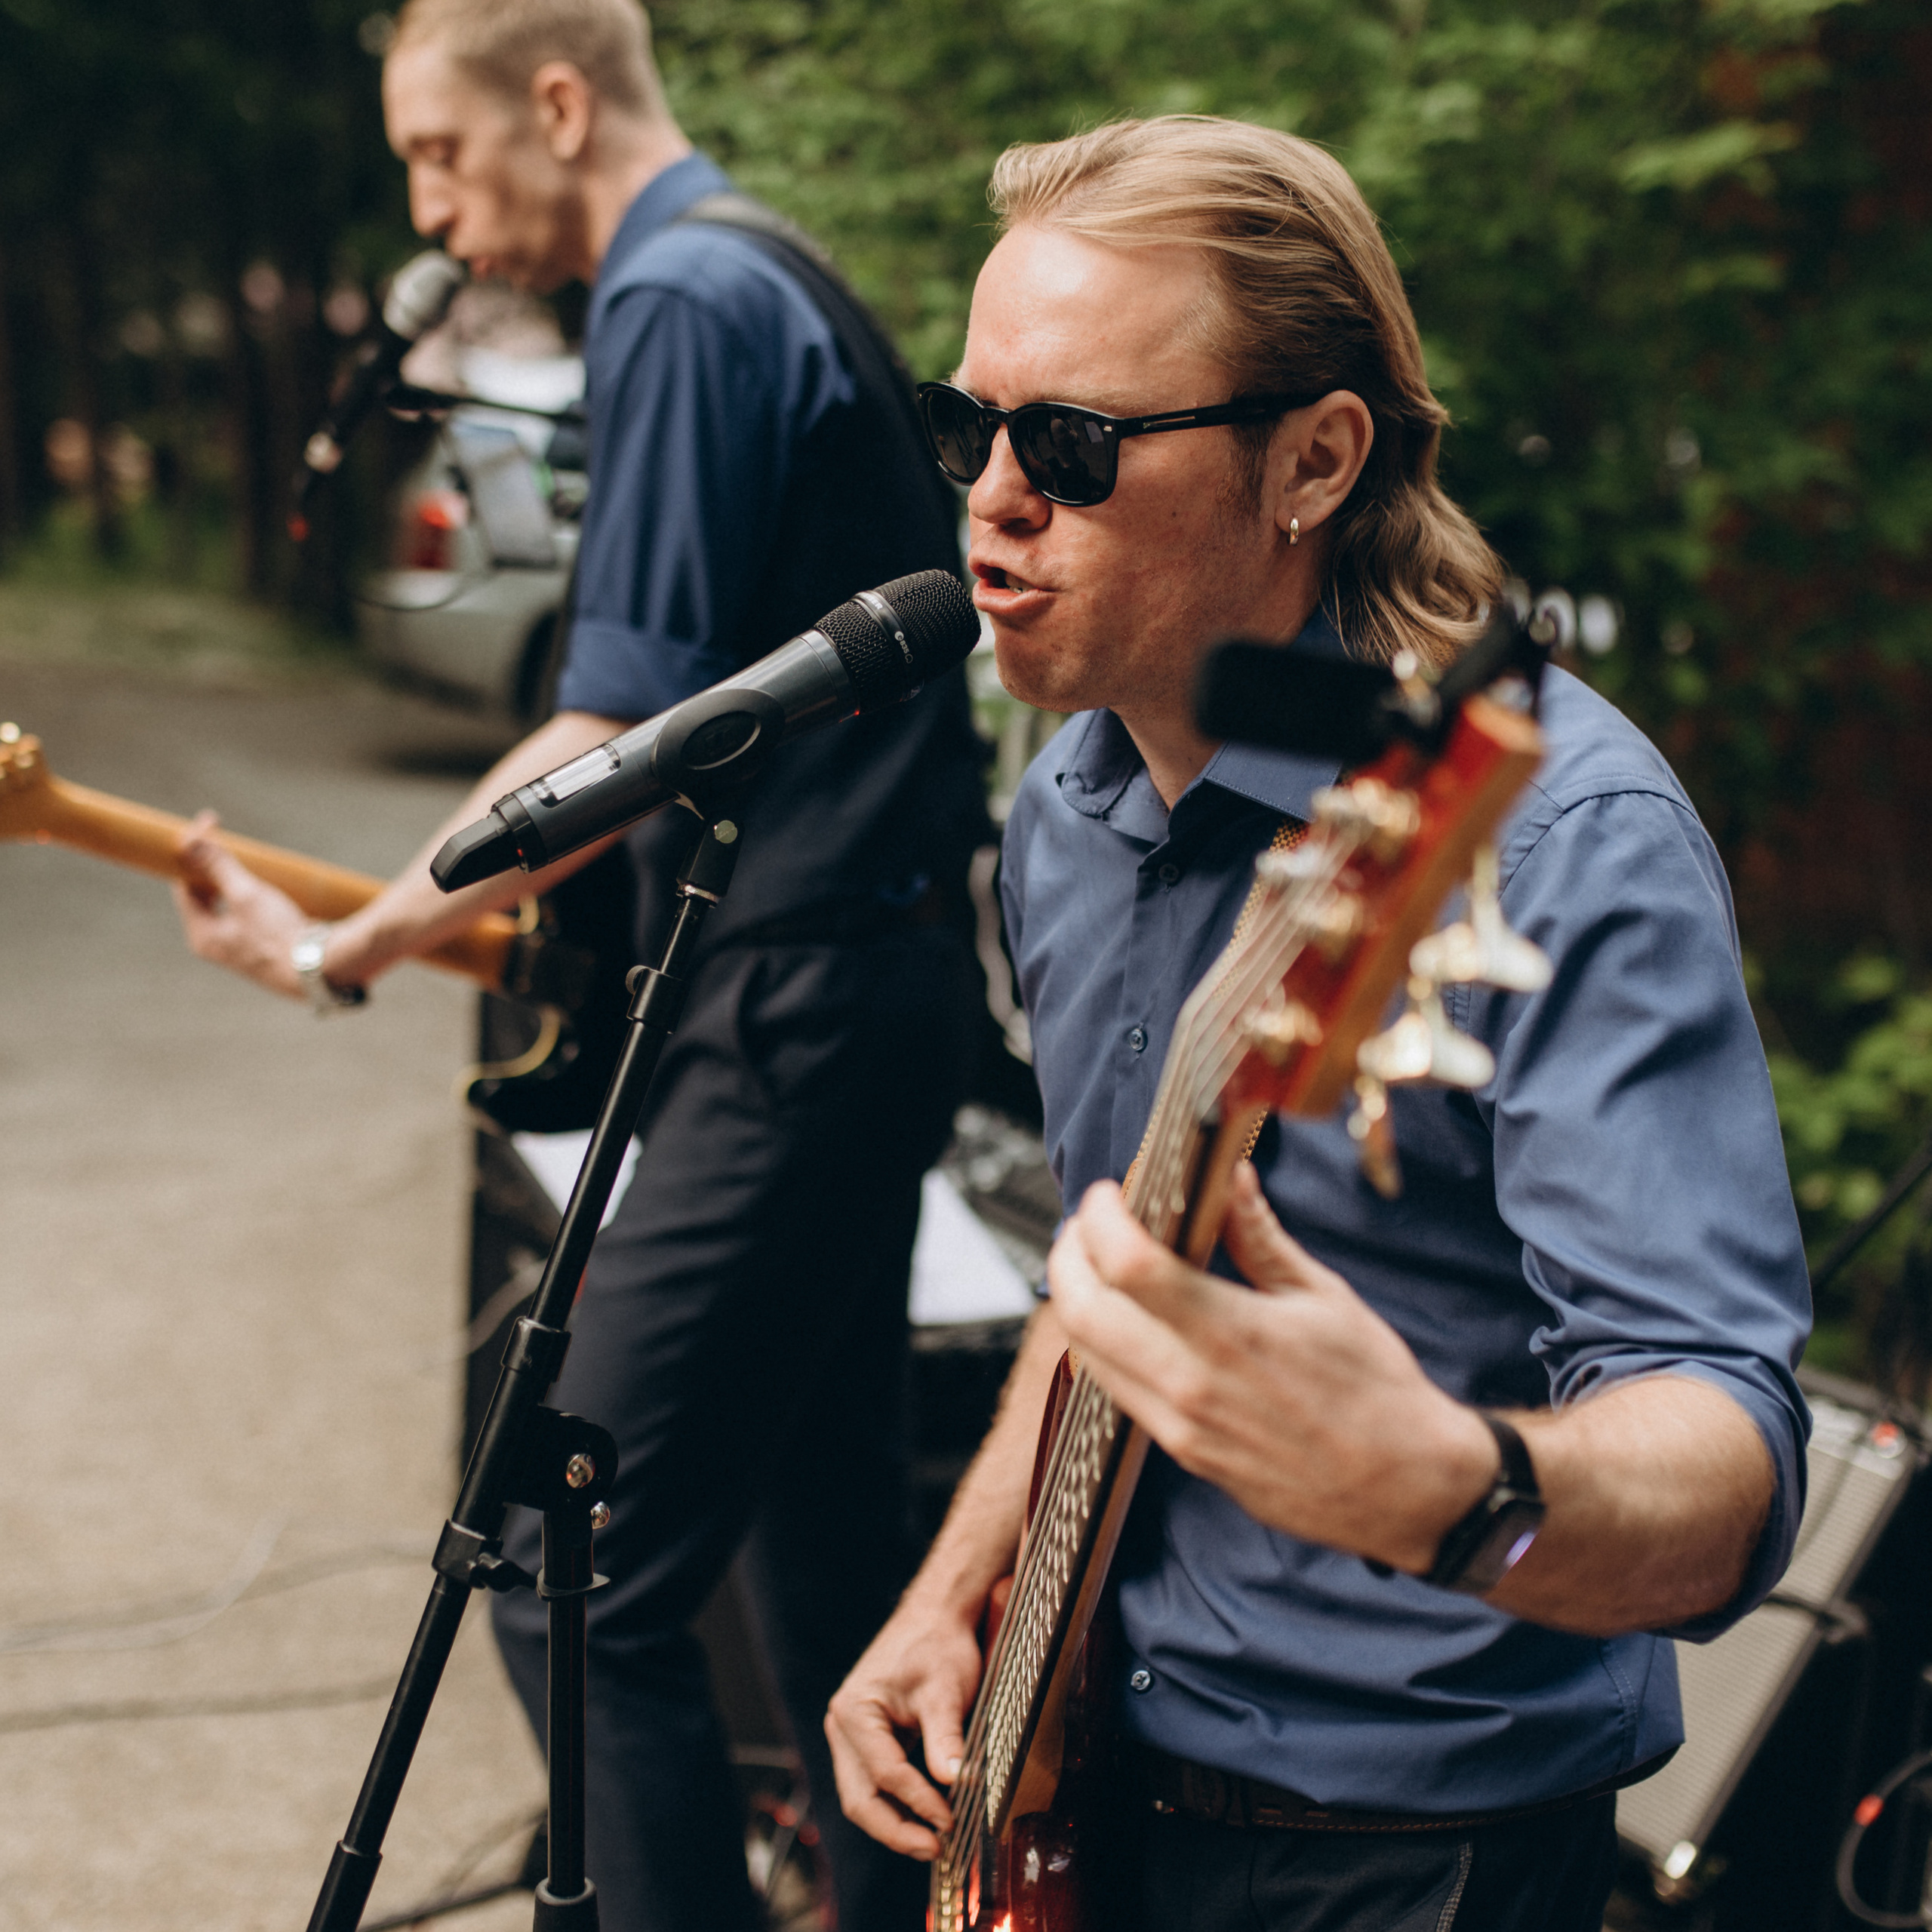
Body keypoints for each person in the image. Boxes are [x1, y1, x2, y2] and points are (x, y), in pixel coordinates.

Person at [824, 115, 1812, 1932]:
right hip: (1095, 1776)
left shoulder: (1552, 837)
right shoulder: (1065, 801)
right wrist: (950, 1593)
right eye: (967, 429)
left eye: (1071, 444)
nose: (989, 499)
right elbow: (1110, 1280)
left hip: (1408, 1855)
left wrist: (1458, 1484)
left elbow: (1730, 1468)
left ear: (1314, 458)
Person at [171, 3, 987, 1928]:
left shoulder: (683, 298)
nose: (433, 218)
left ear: (557, 103)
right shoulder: (763, 269)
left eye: (440, 159)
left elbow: (613, 744)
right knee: (832, 1557)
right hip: (856, 995)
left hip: (786, 1014)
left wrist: (342, 942)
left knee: (563, 1557)